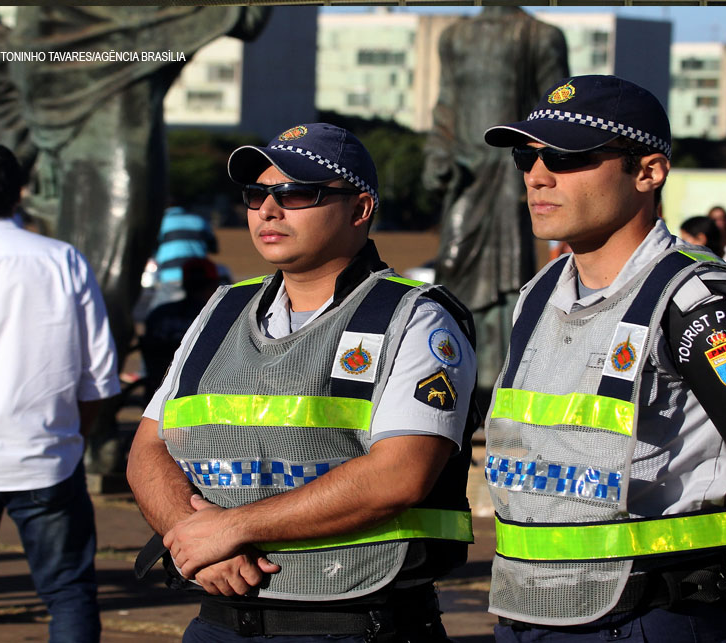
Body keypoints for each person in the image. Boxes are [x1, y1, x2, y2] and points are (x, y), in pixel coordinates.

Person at [481, 75, 726, 641]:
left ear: (648, 171)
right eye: (528, 155)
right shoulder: (540, 293)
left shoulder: (700, 302)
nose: (537, 175)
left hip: (647, 617)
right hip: (527, 614)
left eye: (570, 156)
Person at [126, 123, 478, 642]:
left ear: (360, 209)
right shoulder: (222, 311)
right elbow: (148, 448)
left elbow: (398, 476)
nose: (268, 210)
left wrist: (232, 528)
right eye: (256, 194)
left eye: (296, 193)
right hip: (219, 619)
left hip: (353, 624)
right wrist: (190, 537)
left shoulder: (414, 318)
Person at [0, 143, 120, 642]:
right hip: (46, 456)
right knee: (69, 595)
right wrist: (72, 433)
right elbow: (101, 374)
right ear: (20, 192)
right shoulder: (62, 260)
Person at [423, 6, 568, 414]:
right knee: (452, 268)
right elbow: (446, 105)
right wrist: (437, 153)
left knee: (508, 281)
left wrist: (543, 166)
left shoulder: (539, 36)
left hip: (511, 174)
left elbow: (554, 115)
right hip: (467, 174)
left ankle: (499, 386)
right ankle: (450, 369)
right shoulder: (455, 35)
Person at [140, 257, 221, 400]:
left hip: (157, 387)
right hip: (201, 393)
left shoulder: (160, 313)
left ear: (184, 283)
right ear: (214, 284)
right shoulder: (218, 316)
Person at [151, 201, 219, 310]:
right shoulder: (199, 220)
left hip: (170, 276)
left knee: (162, 312)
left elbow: (152, 248)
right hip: (198, 276)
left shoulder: (161, 221)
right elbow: (214, 248)